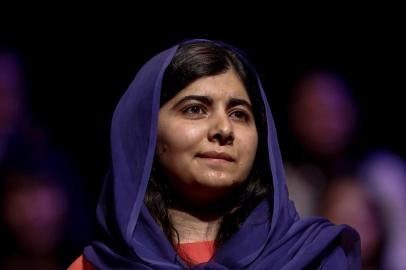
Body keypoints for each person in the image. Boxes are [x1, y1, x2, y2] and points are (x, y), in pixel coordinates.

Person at [69, 39, 360, 269]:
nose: (224, 128)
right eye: (195, 109)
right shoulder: (97, 267)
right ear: (146, 133)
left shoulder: (311, 258)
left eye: (239, 114)